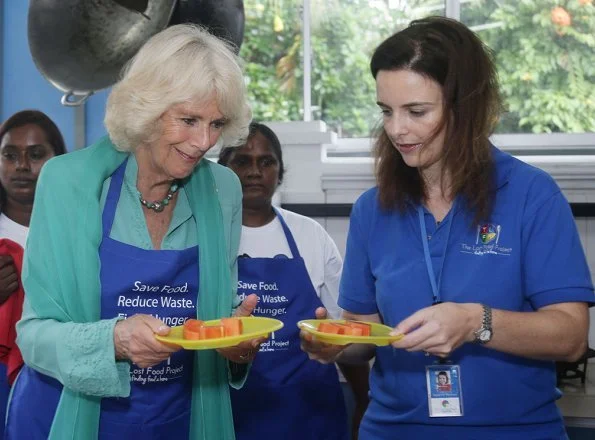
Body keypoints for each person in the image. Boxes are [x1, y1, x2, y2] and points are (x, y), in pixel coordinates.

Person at [301, 16, 594, 440]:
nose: (397, 129)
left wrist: (476, 322)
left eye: (416, 111)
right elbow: (366, 336)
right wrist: (336, 344)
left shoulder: (531, 195)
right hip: (394, 430)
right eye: (387, 111)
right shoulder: (373, 209)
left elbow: (570, 336)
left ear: (465, 107)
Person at [6, 24, 261, 440]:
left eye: (217, 123)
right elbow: (33, 337)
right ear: (147, 107)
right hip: (73, 417)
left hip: (180, 420)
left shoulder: (222, 191)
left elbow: (220, 315)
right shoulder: (67, 183)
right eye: (189, 119)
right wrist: (113, 341)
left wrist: (236, 346)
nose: (203, 142)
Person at [218, 122, 369, 440]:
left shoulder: (310, 235)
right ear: (223, 172)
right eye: (242, 161)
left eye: (266, 161)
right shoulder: (207, 238)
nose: (255, 172)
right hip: (230, 414)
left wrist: (363, 401)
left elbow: (344, 330)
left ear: (279, 171)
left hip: (309, 413)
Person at [0, 110, 66, 439]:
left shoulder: (80, 232)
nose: (22, 167)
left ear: (59, 160)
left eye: (36, 155)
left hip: (62, 376)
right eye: (10, 155)